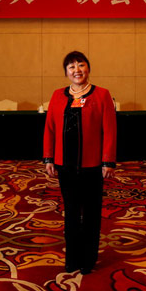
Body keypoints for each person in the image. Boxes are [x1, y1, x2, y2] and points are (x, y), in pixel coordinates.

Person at [42, 51, 117, 274]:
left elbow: (110, 130)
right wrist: (49, 158)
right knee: (72, 213)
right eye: (72, 67)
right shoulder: (57, 95)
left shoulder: (102, 95)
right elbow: (49, 128)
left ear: (88, 68)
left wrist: (108, 161)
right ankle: (73, 257)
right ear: (66, 72)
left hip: (93, 165)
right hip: (65, 165)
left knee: (92, 214)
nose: (77, 70)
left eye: (81, 65)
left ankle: (88, 260)